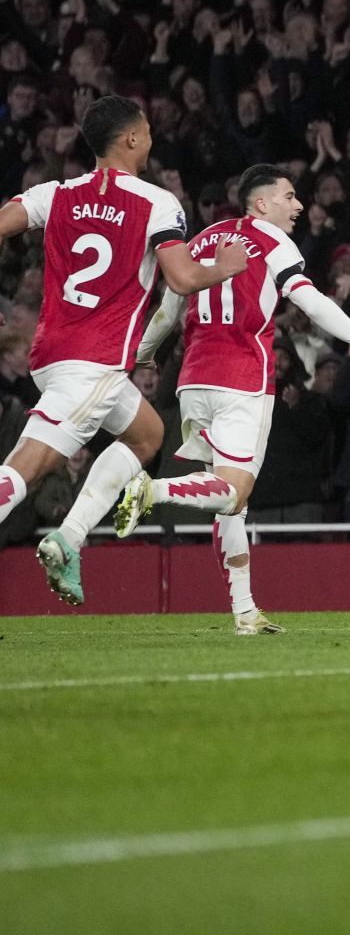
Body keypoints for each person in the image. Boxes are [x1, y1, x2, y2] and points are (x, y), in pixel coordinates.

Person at [116, 164, 350, 633]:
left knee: (229, 504)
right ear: (261, 204)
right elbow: (312, 301)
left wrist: (141, 354)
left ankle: (244, 611)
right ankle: (151, 491)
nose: (298, 206)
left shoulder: (201, 240)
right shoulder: (272, 241)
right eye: (289, 197)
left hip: (194, 381)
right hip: (241, 377)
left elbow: (167, 310)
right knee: (233, 491)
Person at [0, 95, 247, 606]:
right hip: (93, 362)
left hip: (53, 354)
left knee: (147, 436)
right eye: (148, 131)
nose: (152, 139)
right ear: (132, 139)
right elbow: (181, 279)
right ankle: (67, 539)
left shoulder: (57, 192)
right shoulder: (158, 202)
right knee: (30, 465)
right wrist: (224, 268)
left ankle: (68, 539)